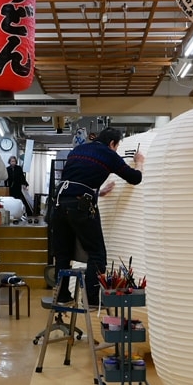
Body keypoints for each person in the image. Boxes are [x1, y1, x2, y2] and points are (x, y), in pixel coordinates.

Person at [52, 127, 144, 307]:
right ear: (112, 143)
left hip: (58, 203)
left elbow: (75, 179)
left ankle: (62, 296)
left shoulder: (78, 150)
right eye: (117, 146)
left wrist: (98, 192)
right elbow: (134, 178)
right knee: (97, 254)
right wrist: (139, 162)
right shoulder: (109, 154)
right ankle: (92, 300)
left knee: (63, 253)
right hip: (80, 206)